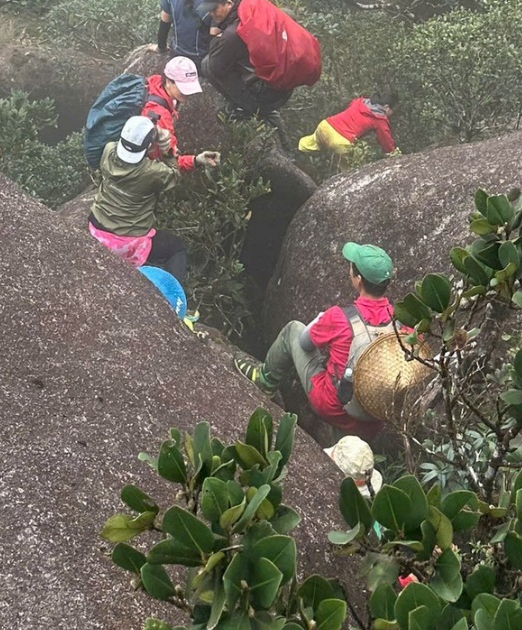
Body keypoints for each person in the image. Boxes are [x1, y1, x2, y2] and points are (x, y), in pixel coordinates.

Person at [236, 242, 396, 439]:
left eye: (351, 266)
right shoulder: (401, 323)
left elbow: (304, 343)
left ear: (358, 280)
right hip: (373, 419)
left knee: (292, 330)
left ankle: (265, 381)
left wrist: (318, 320)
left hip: (333, 407)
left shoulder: (339, 317)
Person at [88, 114, 200, 285]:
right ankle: (170, 297)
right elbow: (174, 175)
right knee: (176, 248)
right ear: (148, 146)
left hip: (97, 228)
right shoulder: (151, 172)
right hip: (127, 240)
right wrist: (167, 150)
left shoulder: (109, 150)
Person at [201, 0, 295, 125]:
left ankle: (248, 107)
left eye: (214, 9)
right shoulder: (257, 14)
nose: (211, 13)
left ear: (229, 3)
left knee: (207, 64)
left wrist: (217, 43)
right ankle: (261, 107)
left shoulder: (233, 34)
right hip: (283, 86)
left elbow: (216, 67)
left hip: (267, 95)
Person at [144, 55, 220, 174]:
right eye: (183, 87)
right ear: (168, 81)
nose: (188, 93)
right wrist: (196, 161)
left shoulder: (155, 83)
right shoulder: (160, 116)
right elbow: (170, 163)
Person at [298, 97, 397, 159]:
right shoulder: (380, 120)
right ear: (387, 107)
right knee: (354, 167)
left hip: (325, 126)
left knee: (309, 143)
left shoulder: (359, 101)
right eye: (393, 111)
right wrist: (395, 157)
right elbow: (387, 143)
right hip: (339, 141)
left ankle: (295, 152)